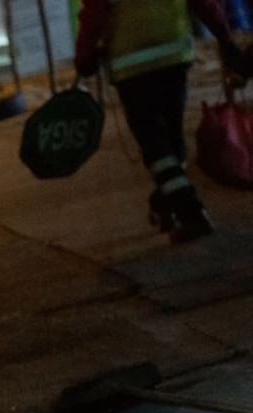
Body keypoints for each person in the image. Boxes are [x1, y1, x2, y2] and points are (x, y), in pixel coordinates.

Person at [75, 0, 243, 243]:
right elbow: (204, 2)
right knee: (172, 138)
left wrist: (84, 57)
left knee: (156, 147)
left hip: (132, 65)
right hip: (174, 54)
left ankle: (191, 212)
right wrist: (224, 38)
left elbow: (93, 12)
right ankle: (164, 202)